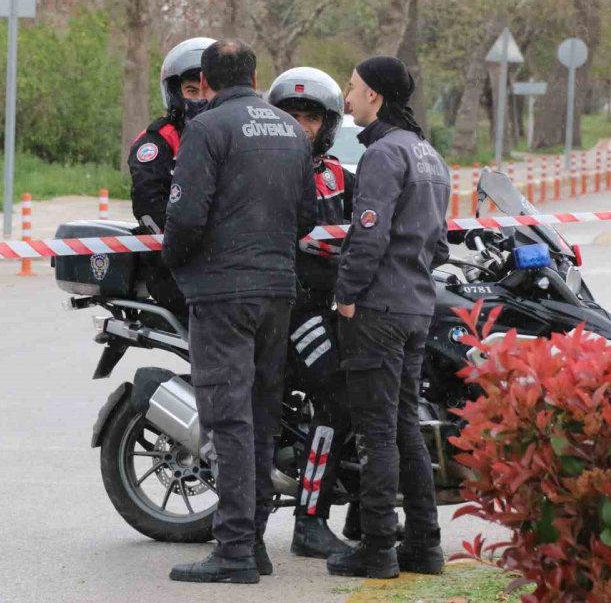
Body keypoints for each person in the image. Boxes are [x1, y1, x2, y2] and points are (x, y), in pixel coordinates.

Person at [162, 40, 316, 584]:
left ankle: (232, 552)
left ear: (204, 81)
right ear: (255, 75)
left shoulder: (206, 128)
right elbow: (308, 214)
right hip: (277, 291)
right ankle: (252, 544)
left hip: (223, 294)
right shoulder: (291, 129)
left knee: (228, 419)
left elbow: (184, 218)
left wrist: (177, 267)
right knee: (261, 417)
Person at [326, 56, 450, 579]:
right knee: (403, 428)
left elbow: (368, 233)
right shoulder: (428, 154)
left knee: (376, 433)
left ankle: (377, 548)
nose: (346, 99)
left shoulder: (381, 153)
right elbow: (440, 244)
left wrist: (347, 295)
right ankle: (424, 545)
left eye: (352, 89)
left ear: (375, 96)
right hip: (418, 306)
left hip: (378, 308)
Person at [266, 67, 354, 559]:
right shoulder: (263, 175)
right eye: (291, 115)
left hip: (340, 307)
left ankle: (367, 506)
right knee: (337, 397)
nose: (301, 125)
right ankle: (309, 520)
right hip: (294, 309)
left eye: (311, 117)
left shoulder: (343, 177)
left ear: (329, 124)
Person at [129, 37, 215, 315]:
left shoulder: (233, 137)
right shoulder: (157, 142)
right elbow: (148, 205)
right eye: (191, 90)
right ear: (175, 93)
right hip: (172, 265)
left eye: (207, 90)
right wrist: (186, 250)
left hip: (228, 261)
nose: (200, 99)